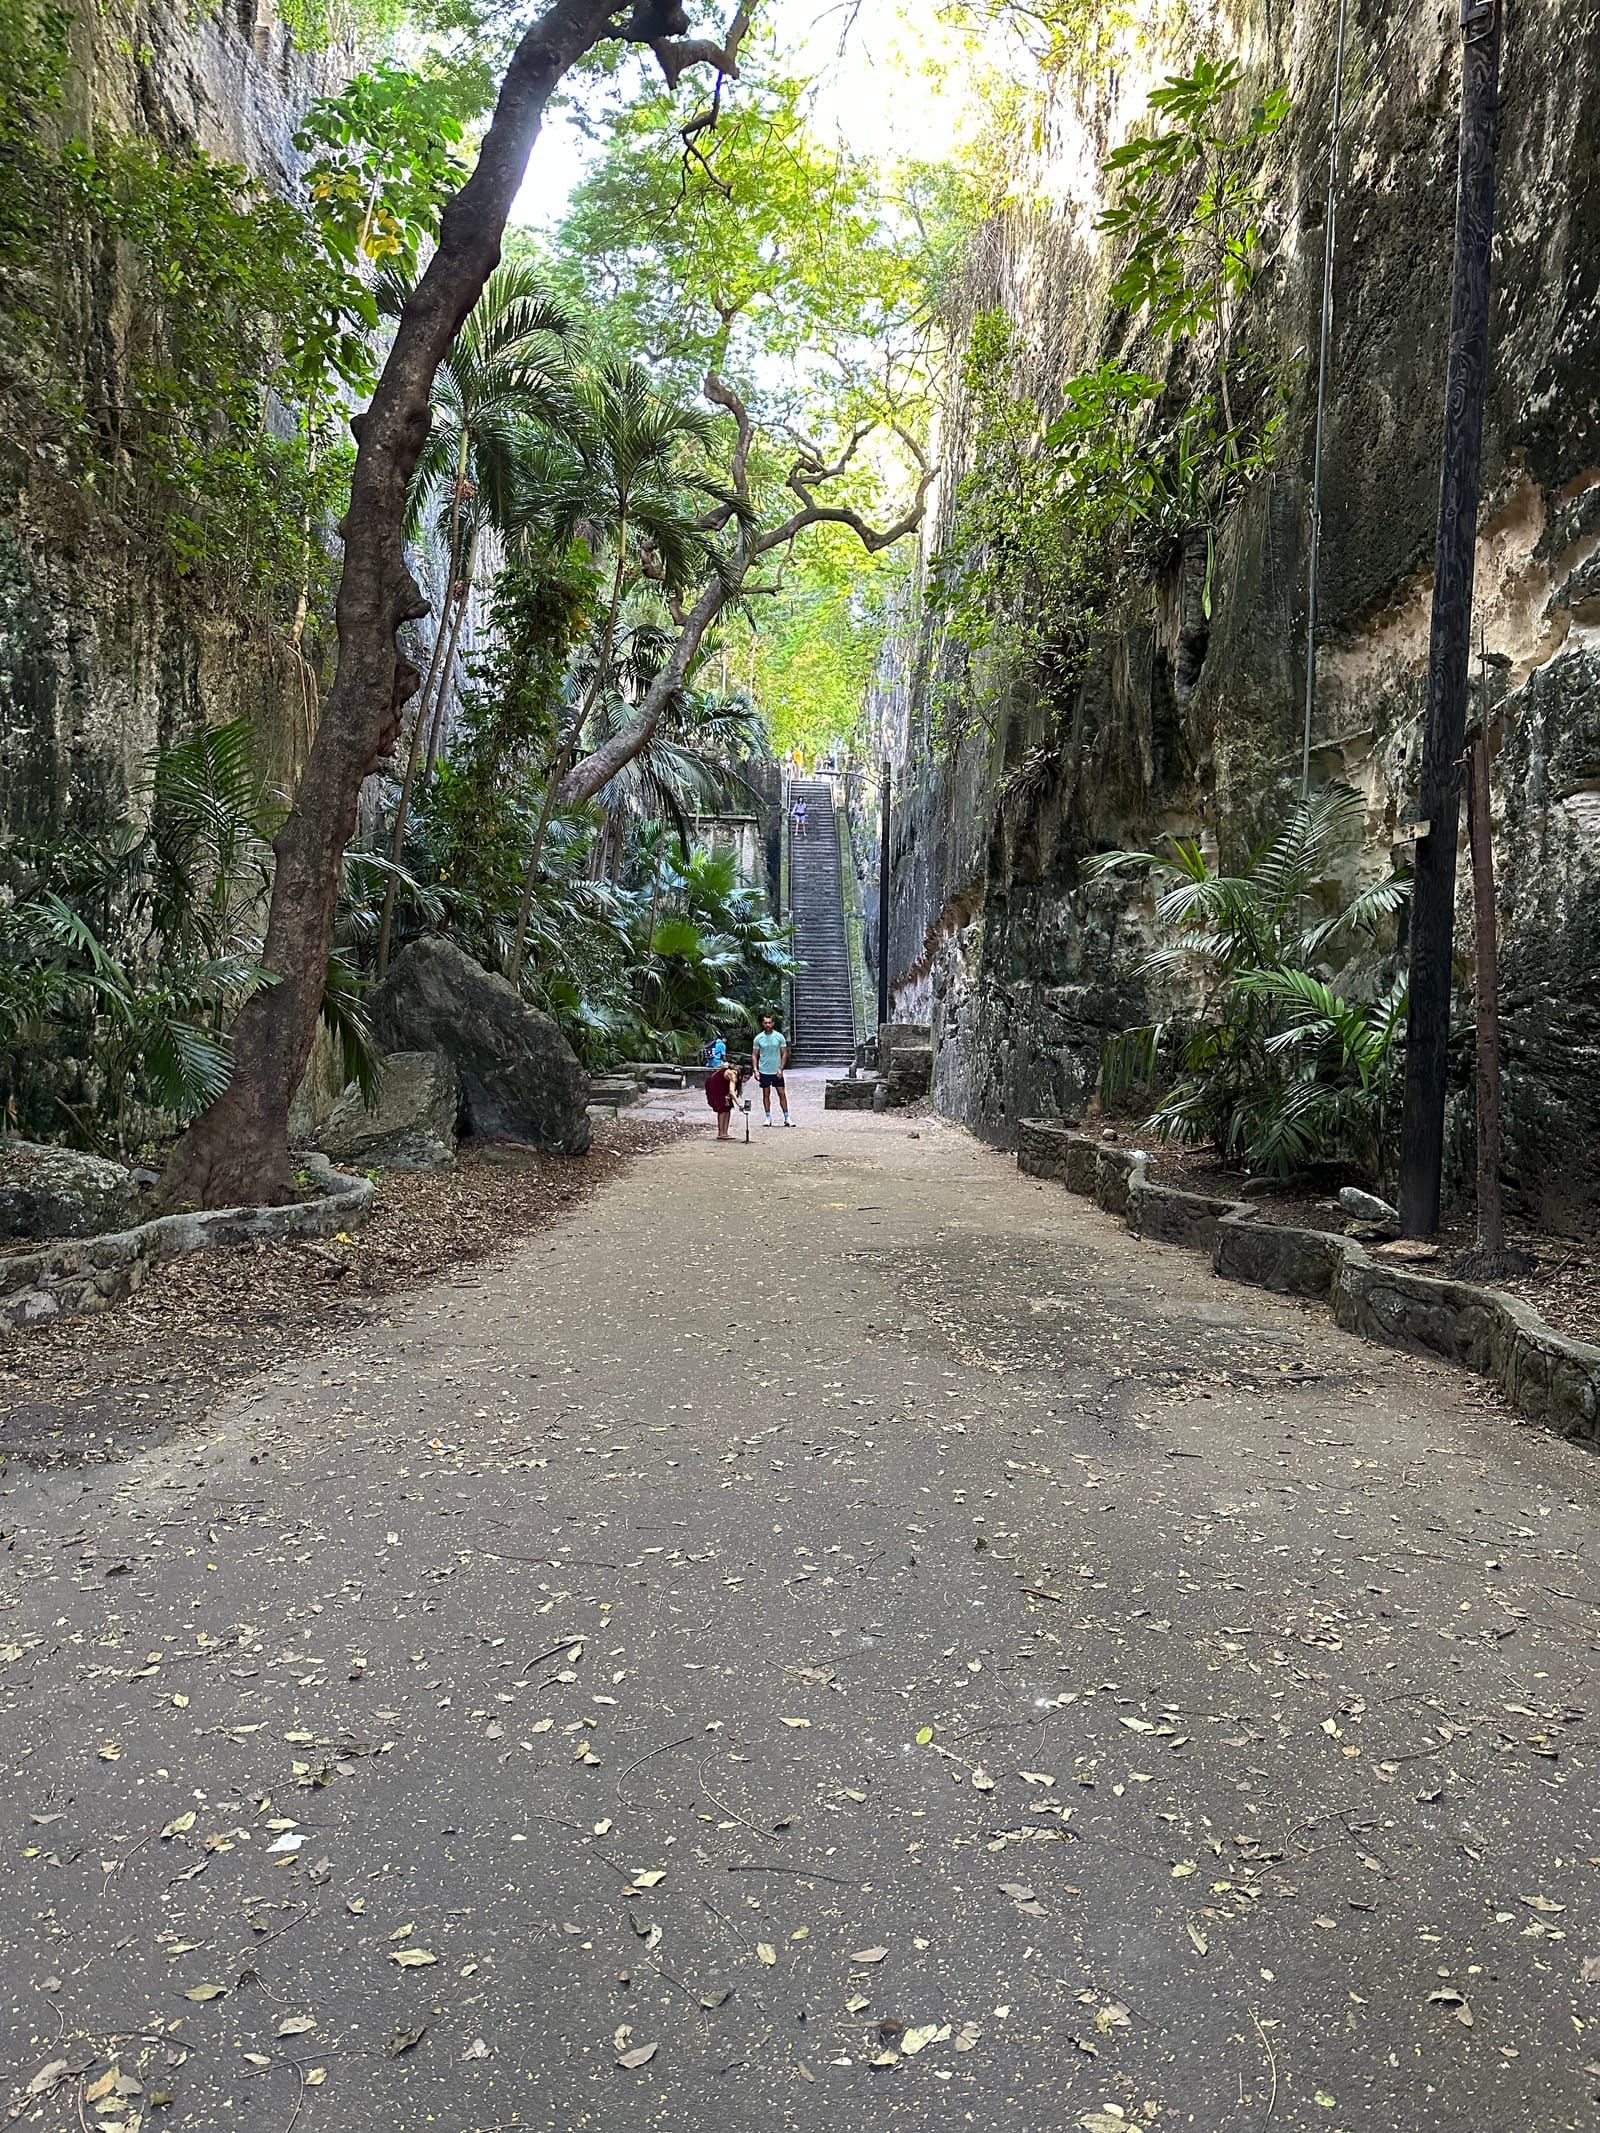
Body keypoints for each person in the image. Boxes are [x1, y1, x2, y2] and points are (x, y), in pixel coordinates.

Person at [752, 1014, 793, 1126]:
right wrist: (755, 1069)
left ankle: (786, 1117)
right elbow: (755, 1055)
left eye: (769, 1022)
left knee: (781, 1093)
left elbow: (784, 1053)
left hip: (776, 1070)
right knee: (766, 1094)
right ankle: (768, 1117)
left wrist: (781, 1068)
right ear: (762, 1024)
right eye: (765, 1023)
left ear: (773, 1023)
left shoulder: (779, 1037)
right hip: (764, 1070)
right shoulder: (758, 1038)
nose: (768, 1025)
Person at [705, 1057, 737, 1139]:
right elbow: (731, 1090)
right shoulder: (730, 1073)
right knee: (722, 1108)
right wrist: (739, 1104)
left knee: (728, 1108)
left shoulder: (735, 1074)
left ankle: (725, 1132)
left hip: (723, 1088)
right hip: (716, 1086)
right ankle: (721, 1132)